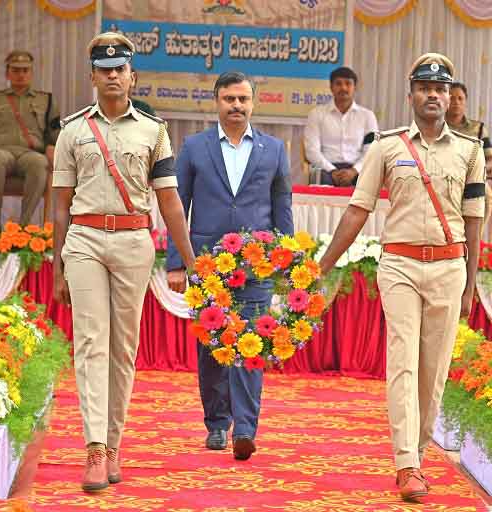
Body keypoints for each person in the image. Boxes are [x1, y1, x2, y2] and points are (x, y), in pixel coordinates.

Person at [317, 53, 485, 503]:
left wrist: (471, 285)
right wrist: (324, 265)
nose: (433, 95)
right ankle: (406, 461)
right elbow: (358, 208)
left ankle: (419, 449)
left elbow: (474, 220)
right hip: (400, 267)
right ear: (410, 94)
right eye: (425, 87)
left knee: (433, 374)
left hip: (449, 269)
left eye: (441, 88)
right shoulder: (387, 147)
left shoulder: (470, 151)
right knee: (403, 362)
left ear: (450, 97)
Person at [51, 32, 196, 492]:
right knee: (91, 343)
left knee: (123, 350)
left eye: (120, 69)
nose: (112, 76)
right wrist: (57, 266)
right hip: (85, 239)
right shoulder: (73, 130)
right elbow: (59, 205)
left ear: (132, 76)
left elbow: (169, 201)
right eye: (104, 69)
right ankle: (94, 449)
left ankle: (114, 446)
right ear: (92, 76)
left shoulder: (153, 131)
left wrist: (190, 261)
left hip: (134, 240)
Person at [165, 71, 294, 462]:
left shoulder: (274, 149)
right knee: (214, 347)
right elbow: (176, 206)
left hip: (257, 265)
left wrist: (285, 264)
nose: (236, 106)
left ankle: (246, 428)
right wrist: (176, 263)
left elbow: (282, 207)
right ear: (216, 103)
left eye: (243, 99)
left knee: (252, 343)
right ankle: (218, 424)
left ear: (253, 103)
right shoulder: (193, 147)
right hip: (207, 265)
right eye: (228, 99)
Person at [0, 50, 60, 226]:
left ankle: (24, 227)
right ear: (7, 73)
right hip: (3, 151)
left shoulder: (46, 100)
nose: (21, 74)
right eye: (16, 70)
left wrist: (52, 146)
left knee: (39, 162)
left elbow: (55, 132)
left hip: (31, 153)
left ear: (31, 73)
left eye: (25, 70)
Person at [304, 66, 379, 187]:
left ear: (355, 87)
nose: (343, 88)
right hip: (326, 169)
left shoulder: (367, 116)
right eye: (338, 83)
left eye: (348, 83)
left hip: (357, 169)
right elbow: (311, 151)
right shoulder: (316, 114)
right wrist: (332, 171)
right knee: (319, 179)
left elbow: (371, 149)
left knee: (369, 181)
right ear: (331, 87)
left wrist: (354, 171)